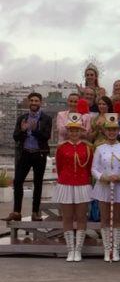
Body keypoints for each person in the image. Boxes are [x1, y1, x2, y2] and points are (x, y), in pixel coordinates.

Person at [91, 114, 120, 262]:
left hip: (119, 187)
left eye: (114, 129)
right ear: (105, 131)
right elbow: (94, 169)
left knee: (117, 219)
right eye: (109, 130)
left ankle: (115, 249)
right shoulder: (99, 148)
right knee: (104, 218)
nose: (112, 132)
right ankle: (106, 248)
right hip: (104, 186)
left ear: (118, 131)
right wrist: (103, 177)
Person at [4, 93, 53, 222]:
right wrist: (23, 130)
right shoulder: (22, 118)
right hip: (25, 153)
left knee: (38, 183)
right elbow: (16, 137)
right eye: (31, 100)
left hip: (39, 153)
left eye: (36, 101)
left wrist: (34, 129)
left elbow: (46, 136)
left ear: (40, 102)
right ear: (28, 102)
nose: (34, 103)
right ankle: (16, 212)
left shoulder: (46, 118)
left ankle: (35, 212)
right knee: (18, 181)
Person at [53, 113, 92, 262]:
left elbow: (89, 168)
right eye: (71, 130)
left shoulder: (87, 148)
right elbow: (59, 166)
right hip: (66, 183)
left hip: (82, 184)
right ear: (68, 131)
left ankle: (78, 249)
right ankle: (70, 249)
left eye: (77, 130)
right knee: (67, 217)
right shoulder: (61, 148)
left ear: (81, 131)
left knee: (81, 217)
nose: (74, 133)